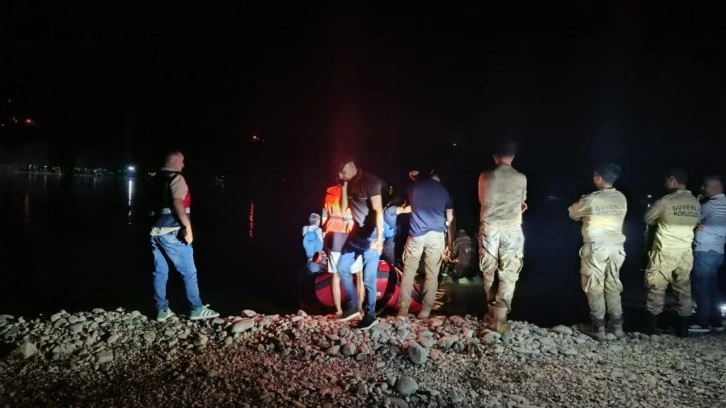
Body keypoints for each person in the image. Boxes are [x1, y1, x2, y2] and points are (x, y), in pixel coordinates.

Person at [149, 151, 219, 322]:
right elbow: (177, 202)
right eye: (182, 161)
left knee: (160, 273)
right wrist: (188, 228)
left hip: (155, 231)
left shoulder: (154, 179)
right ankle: (196, 308)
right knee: (189, 272)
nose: (183, 165)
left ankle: (162, 310)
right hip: (172, 232)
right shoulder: (177, 178)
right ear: (173, 162)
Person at [568, 164, 628, 341]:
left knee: (594, 285)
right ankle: (617, 327)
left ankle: (598, 328)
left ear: (599, 178)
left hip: (596, 247)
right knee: (613, 284)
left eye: (595, 176)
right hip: (617, 247)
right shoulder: (621, 197)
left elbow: (572, 213)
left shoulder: (592, 198)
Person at [643, 169, 701, 337]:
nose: (665, 184)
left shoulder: (665, 201)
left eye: (666, 180)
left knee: (656, 286)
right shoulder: (695, 203)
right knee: (683, 288)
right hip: (685, 252)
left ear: (673, 180)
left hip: (665, 250)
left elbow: (648, 219)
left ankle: (652, 328)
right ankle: (682, 329)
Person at [477, 142, 527, 334]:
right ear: (513, 157)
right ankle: (500, 318)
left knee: (489, 270)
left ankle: (491, 313)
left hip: (490, 228)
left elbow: (482, 200)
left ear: (495, 156)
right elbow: (521, 201)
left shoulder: (485, 176)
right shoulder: (521, 177)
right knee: (509, 272)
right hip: (512, 229)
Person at [335, 158, 386, 330]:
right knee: (341, 267)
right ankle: (353, 306)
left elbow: (378, 211)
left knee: (368, 279)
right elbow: (343, 208)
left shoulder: (371, 182)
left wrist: (379, 238)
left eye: (343, 171)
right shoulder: (348, 182)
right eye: (339, 173)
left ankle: (370, 315)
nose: (340, 175)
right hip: (355, 236)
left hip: (371, 237)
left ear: (351, 164)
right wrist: (344, 185)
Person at [398, 169, 454, 319]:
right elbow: (450, 219)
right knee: (432, 274)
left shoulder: (414, 187)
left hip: (416, 235)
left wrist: (415, 179)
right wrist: (450, 243)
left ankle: (403, 311)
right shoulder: (445, 191)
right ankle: (425, 311)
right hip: (436, 235)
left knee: (409, 272)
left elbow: (413, 197)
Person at [689, 175, 726, 333]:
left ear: (717, 187)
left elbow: (692, 218)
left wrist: (697, 201)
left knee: (701, 286)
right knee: (712, 286)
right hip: (718, 250)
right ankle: (716, 320)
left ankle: (701, 321)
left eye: (705, 185)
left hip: (705, 249)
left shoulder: (712, 204)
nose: (702, 188)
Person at [321, 183, 364, 317]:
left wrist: (324, 240)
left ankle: (339, 310)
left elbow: (324, 218)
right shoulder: (356, 192)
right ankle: (359, 309)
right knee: (359, 275)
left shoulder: (329, 193)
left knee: (336, 275)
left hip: (334, 236)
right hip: (351, 236)